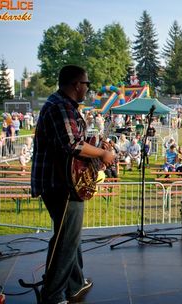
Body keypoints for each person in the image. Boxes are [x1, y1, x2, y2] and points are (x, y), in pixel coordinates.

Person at [31, 65, 116, 304]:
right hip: (61, 184)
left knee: (70, 236)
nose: (88, 89)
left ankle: (75, 285)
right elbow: (72, 145)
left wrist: (96, 147)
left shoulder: (63, 105)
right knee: (66, 240)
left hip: (63, 181)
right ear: (76, 84)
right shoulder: (60, 107)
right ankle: (53, 295)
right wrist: (101, 153)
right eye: (86, 84)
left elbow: (74, 144)